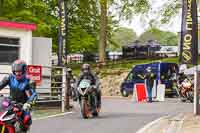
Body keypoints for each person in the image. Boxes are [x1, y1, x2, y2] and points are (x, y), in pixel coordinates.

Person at [0, 60, 37, 131]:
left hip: (23, 104)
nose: (17, 73)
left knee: (26, 120)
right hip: (10, 102)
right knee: (1, 116)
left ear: (24, 71)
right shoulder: (9, 78)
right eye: (15, 71)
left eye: (19, 71)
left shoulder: (29, 80)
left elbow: (34, 95)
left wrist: (28, 103)